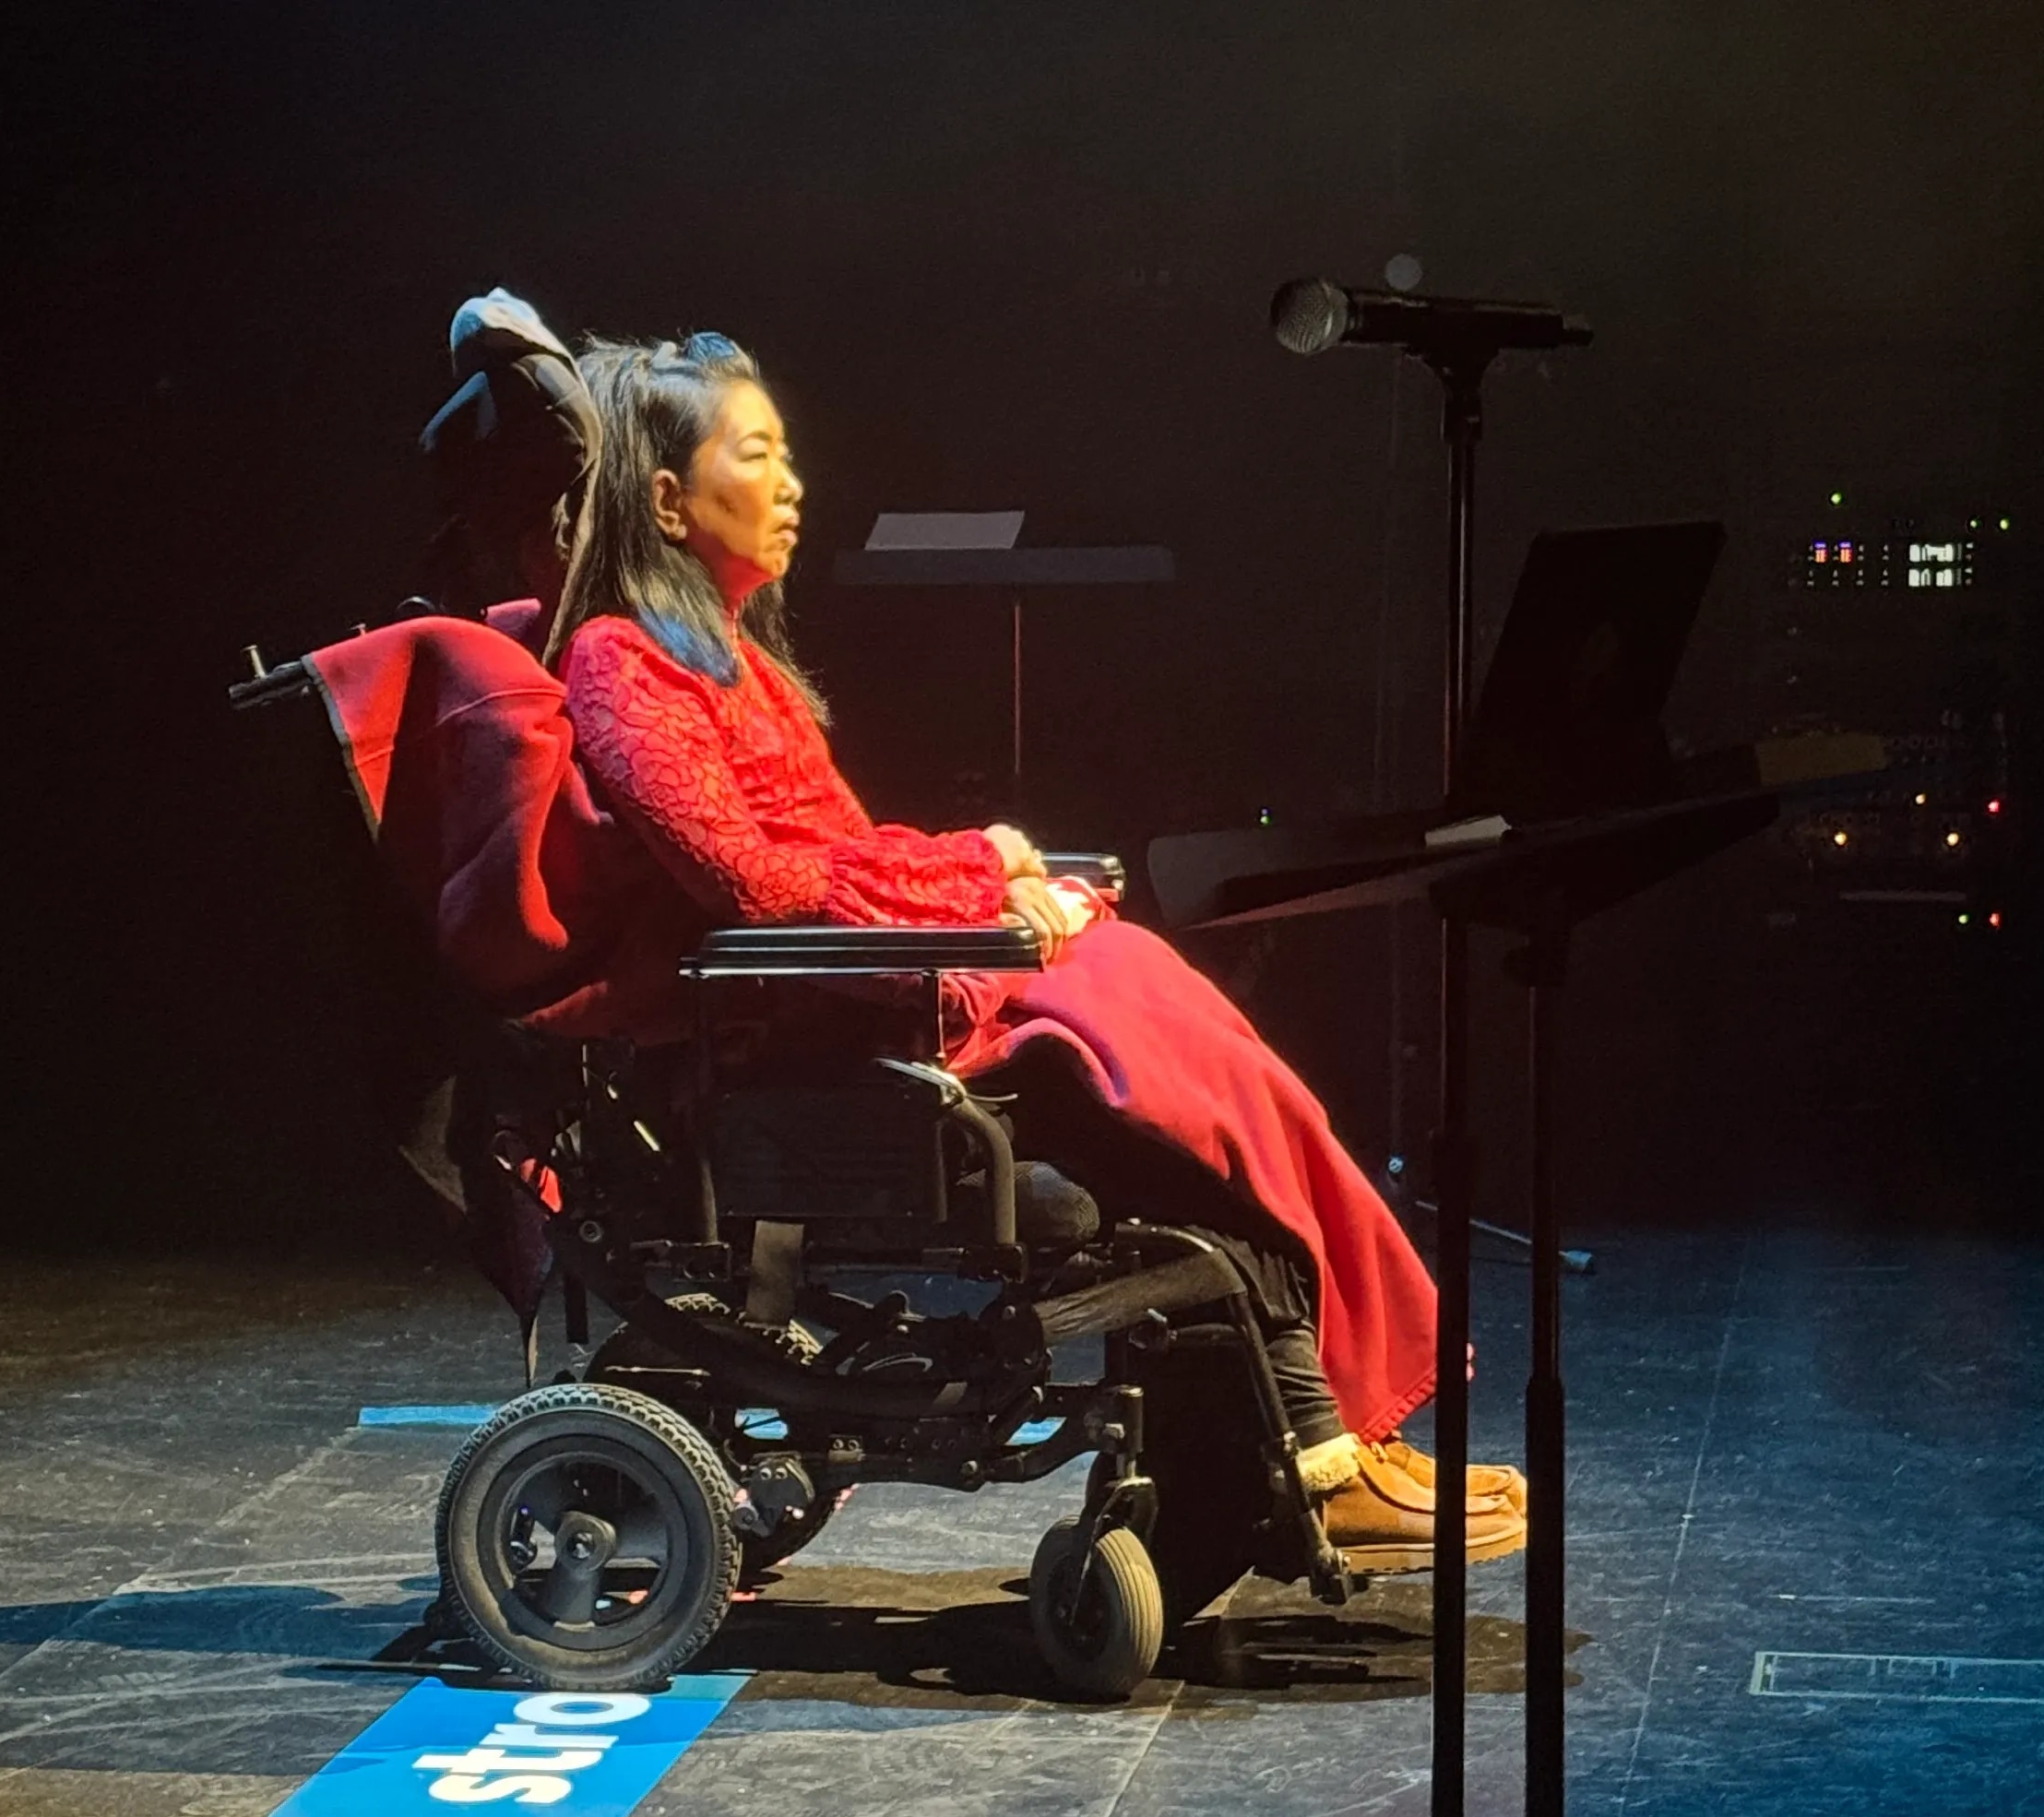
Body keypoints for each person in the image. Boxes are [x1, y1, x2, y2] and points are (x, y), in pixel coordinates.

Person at [548, 331, 1524, 1569]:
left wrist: (998, 866)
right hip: (816, 1024)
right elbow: (748, 884)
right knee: (1179, 1097)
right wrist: (978, 881)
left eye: (790, 454)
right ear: (670, 497)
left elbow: (829, 855)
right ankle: (1318, 1453)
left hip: (877, 986)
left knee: (1186, 1032)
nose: (794, 483)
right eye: (760, 453)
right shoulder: (622, 664)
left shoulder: (737, 663)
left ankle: (1331, 1435)